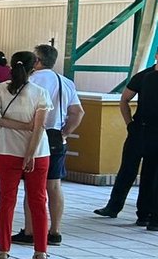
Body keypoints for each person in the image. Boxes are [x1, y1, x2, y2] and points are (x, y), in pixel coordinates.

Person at [0, 52, 51, 259]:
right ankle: (41, 251)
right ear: (34, 66)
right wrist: (30, 154)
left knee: (6, 201)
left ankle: (3, 250)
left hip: (7, 150)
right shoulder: (40, 92)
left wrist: (16, 125)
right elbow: (39, 127)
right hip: (39, 154)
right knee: (38, 201)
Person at [20, 44, 83, 246]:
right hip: (56, 137)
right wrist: (65, 132)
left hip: (34, 136)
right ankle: (55, 231)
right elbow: (77, 112)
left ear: (37, 61)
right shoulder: (65, 82)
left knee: (32, 186)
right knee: (54, 185)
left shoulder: (31, 81)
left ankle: (30, 230)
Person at [95, 60, 158, 228]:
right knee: (127, 169)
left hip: (153, 132)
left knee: (149, 174)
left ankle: (144, 214)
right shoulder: (145, 76)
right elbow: (124, 99)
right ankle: (114, 206)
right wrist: (129, 124)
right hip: (139, 129)